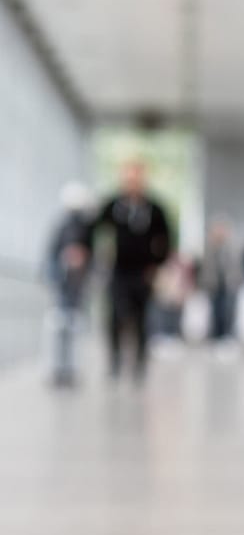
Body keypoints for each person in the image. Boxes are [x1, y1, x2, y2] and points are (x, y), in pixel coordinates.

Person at [93, 160, 172, 380]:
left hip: (143, 273)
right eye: (128, 178)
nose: (132, 182)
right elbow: (95, 229)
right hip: (119, 271)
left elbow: (166, 239)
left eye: (136, 178)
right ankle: (115, 360)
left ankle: (139, 363)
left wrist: (157, 264)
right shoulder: (114, 206)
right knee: (116, 315)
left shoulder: (154, 209)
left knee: (142, 318)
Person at [43, 181, 95, 387]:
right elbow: (53, 257)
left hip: (74, 290)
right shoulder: (66, 226)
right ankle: (60, 369)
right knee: (61, 327)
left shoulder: (81, 228)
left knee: (70, 327)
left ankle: (67, 370)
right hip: (65, 289)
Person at [197, 216, 244, 354]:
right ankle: (216, 339)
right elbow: (205, 268)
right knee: (215, 313)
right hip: (214, 286)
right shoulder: (209, 247)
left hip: (229, 286)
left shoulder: (232, 246)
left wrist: (237, 282)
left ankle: (228, 338)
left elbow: (237, 266)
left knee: (228, 313)